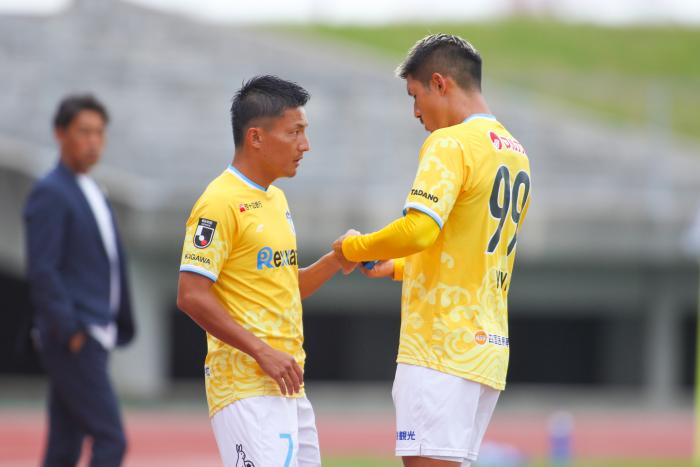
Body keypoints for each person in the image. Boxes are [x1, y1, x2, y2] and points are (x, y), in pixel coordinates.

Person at [333, 34, 532, 467]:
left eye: (415, 95)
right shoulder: (515, 152)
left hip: (440, 347)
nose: (415, 112)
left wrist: (355, 247)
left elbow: (420, 230)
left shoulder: (451, 142)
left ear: (440, 83)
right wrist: (398, 267)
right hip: (486, 348)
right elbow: (469, 249)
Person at [176, 75, 356, 467]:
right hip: (245, 387)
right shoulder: (219, 202)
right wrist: (261, 351)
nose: (305, 145)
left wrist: (335, 261)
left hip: (288, 382)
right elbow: (190, 295)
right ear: (256, 137)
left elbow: (284, 288)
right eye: (295, 132)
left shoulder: (276, 198)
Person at [24, 94, 135, 467]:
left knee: (64, 447)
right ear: (61, 134)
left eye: (99, 133)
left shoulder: (92, 190)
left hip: (95, 332)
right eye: (84, 132)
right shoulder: (51, 191)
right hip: (75, 336)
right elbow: (43, 268)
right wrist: (70, 329)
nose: (93, 141)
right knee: (111, 439)